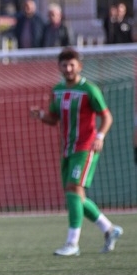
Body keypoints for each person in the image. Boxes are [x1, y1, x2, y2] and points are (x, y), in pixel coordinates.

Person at [29, 47, 124, 256]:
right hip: (67, 148)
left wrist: (100, 137)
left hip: (86, 146)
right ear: (60, 67)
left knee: (73, 189)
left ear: (79, 66)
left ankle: (73, 244)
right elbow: (54, 118)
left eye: (72, 64)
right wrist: (42, 114)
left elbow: (106, 116)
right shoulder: (57, 90)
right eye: (64, 65)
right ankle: (109, 229)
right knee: (76, 195)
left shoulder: (90, 90)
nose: (68, 68)